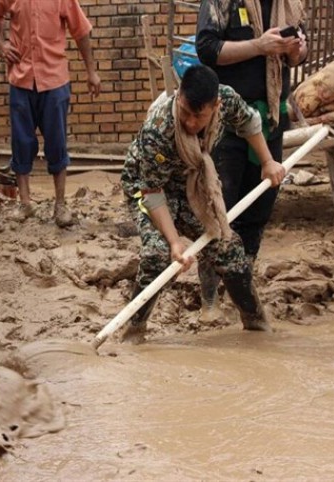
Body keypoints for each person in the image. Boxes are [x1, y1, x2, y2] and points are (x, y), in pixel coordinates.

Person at [120, 65, 285, 343]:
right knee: (157, 255)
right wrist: (175, 242)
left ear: (215, 106)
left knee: (228, 249)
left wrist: (268, 161)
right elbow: (153, 192)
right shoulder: (158, 129)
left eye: (199, 116)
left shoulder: (227, 100)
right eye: (185, 112)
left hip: (191, 184)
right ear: (179, 98)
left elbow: (250, 123)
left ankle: (256, 325)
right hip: (147, 187)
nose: (191, 123)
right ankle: (133, 332)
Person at [195, 0, 307, 319]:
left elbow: (300, 55)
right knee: (219, 210)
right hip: (227, 122)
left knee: (258, 211)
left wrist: (295, 50)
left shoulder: (290, 4)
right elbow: (207, 49)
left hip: (270, 116)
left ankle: (241, 289)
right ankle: (209, 299)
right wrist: (259, 46)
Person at [0, 0, 101, 228]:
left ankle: (60, 205)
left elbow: (81, 32)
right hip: (21, 80)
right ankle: (25, 203)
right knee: (21, 142)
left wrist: (91, 72)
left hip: (54, 81)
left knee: (57, 144)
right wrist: (1, 44)